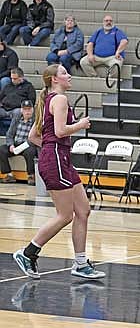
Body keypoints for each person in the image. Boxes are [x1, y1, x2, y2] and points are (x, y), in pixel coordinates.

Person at [13, 64, 106, 280]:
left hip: (59, 156)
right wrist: (80, 125)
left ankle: (81, 264)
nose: (69, 75)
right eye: (64, 73)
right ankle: (28, 253)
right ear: (54, 79)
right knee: (65, 216)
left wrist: (50, 147)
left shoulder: (47, 101)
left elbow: (34, 136)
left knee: (83, 211)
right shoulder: (60, 99)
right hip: (55, 158)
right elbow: (60, 131)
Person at [0, 99, 37, 185]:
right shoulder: (17, 118)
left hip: (27, 145)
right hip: (16, 144)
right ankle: (8, 174)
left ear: (32, 109)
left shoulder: (35, 121)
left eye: (29, 109)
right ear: (21, 110)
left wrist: (25, 145)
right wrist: (11, 145)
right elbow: (9, 134)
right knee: (2, 149)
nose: (27, 112)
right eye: (25, 109)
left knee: (31, 151)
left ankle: (31, 175)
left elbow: (35, 137)